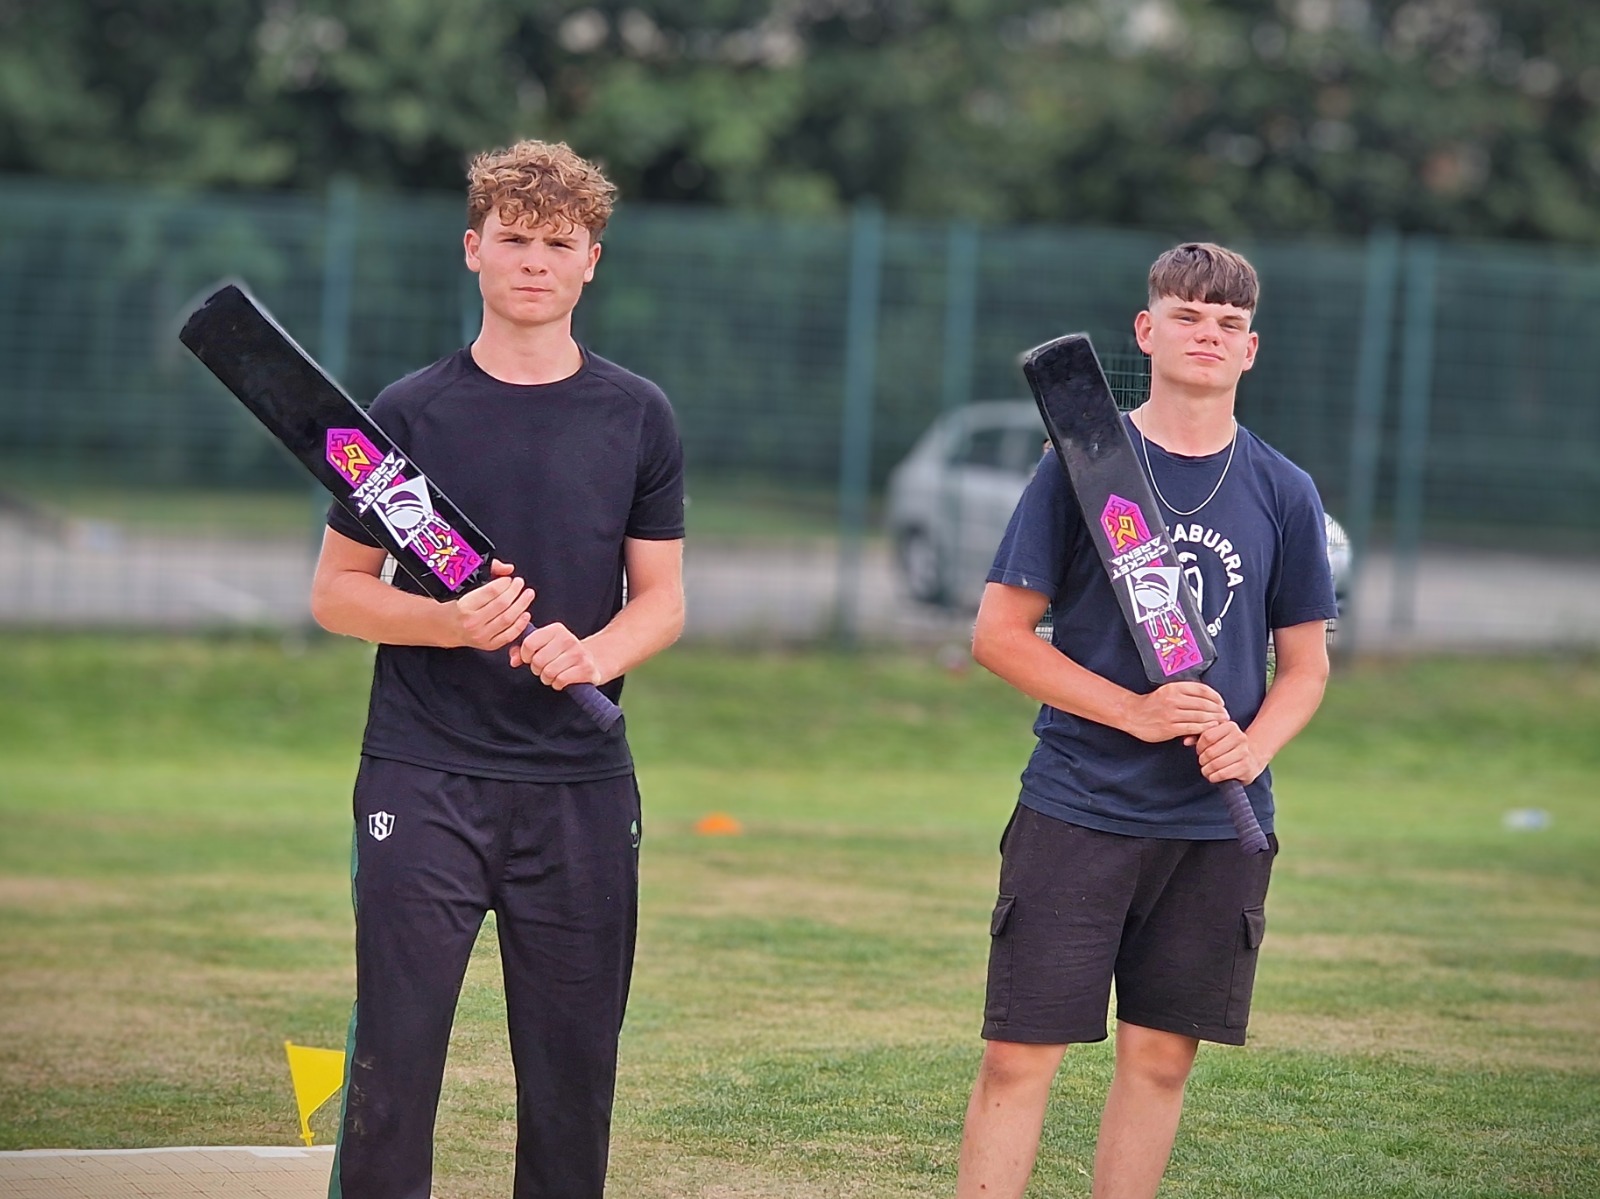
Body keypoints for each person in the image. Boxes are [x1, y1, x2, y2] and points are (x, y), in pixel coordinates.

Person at [309, 139, 685, 1199]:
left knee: (572, 1076)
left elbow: (662, 598)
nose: (534, 261)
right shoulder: (410, 412)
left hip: (577, 782)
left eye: (557, 243)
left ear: (590, 262)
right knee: (396, 1057)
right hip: (422, 775)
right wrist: (451, 623)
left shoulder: (637, 414)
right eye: (512, 240)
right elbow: (337, 591)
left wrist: (595, 650)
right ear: (472, 250)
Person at [953, 243, 1337, 1199]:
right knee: (1019, 1055)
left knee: (1163, 1058)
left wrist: (1253, 745)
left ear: (1251, 349)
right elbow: (1001, 636)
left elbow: (1307, 665)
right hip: (1080, 804)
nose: (1208, 336)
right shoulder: (1083, 468)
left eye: (1229, 325)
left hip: (1216, 820)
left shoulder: (1284, 490)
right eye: (1188, 316)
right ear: (1147, 330)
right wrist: (1134, 709)